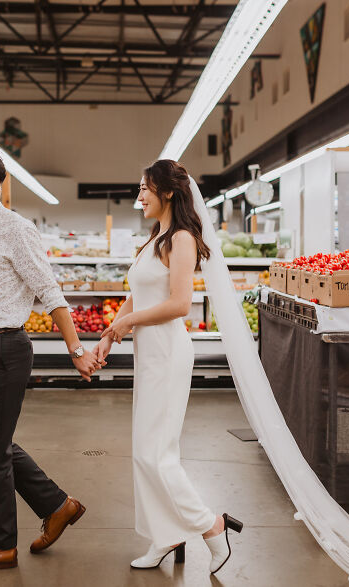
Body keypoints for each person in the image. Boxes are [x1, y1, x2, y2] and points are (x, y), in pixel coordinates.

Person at [0, 143, 101, 573]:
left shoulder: (15, 228)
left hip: (5, 348)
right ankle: (56, 505)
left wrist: (77, 350)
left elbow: (50, 291)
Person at [93, 160, 243, 574]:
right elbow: (138, 295)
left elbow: (179, 304)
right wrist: (111, 331)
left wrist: (126, 322)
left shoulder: (181, 239)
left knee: (156, 454)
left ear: (168, 193)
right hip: (150, 353)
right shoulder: (154, 239)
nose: (139, 196)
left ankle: (211, 526)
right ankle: (165, 534)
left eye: (145, 189)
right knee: (146, 451)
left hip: (169, 352)